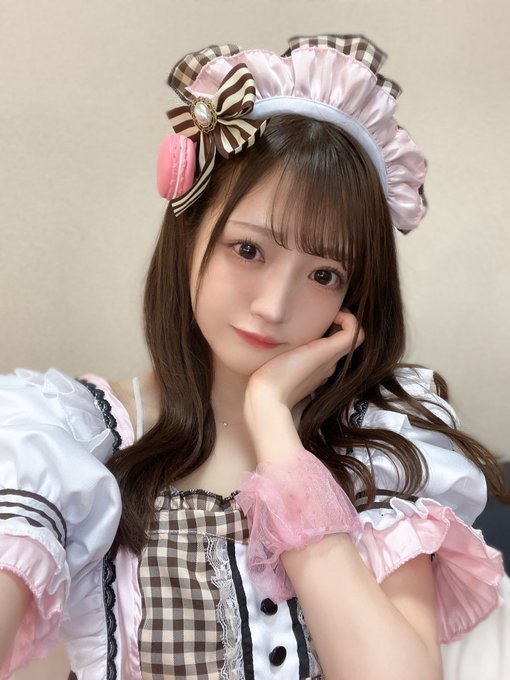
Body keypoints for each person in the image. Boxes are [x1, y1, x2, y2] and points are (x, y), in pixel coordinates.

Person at [0, 34, 507, 680]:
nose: (274, 306)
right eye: (249, 250)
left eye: (324, 275)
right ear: (190, 233)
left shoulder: (376, 446)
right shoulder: (66, 438)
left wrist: (275, 429)